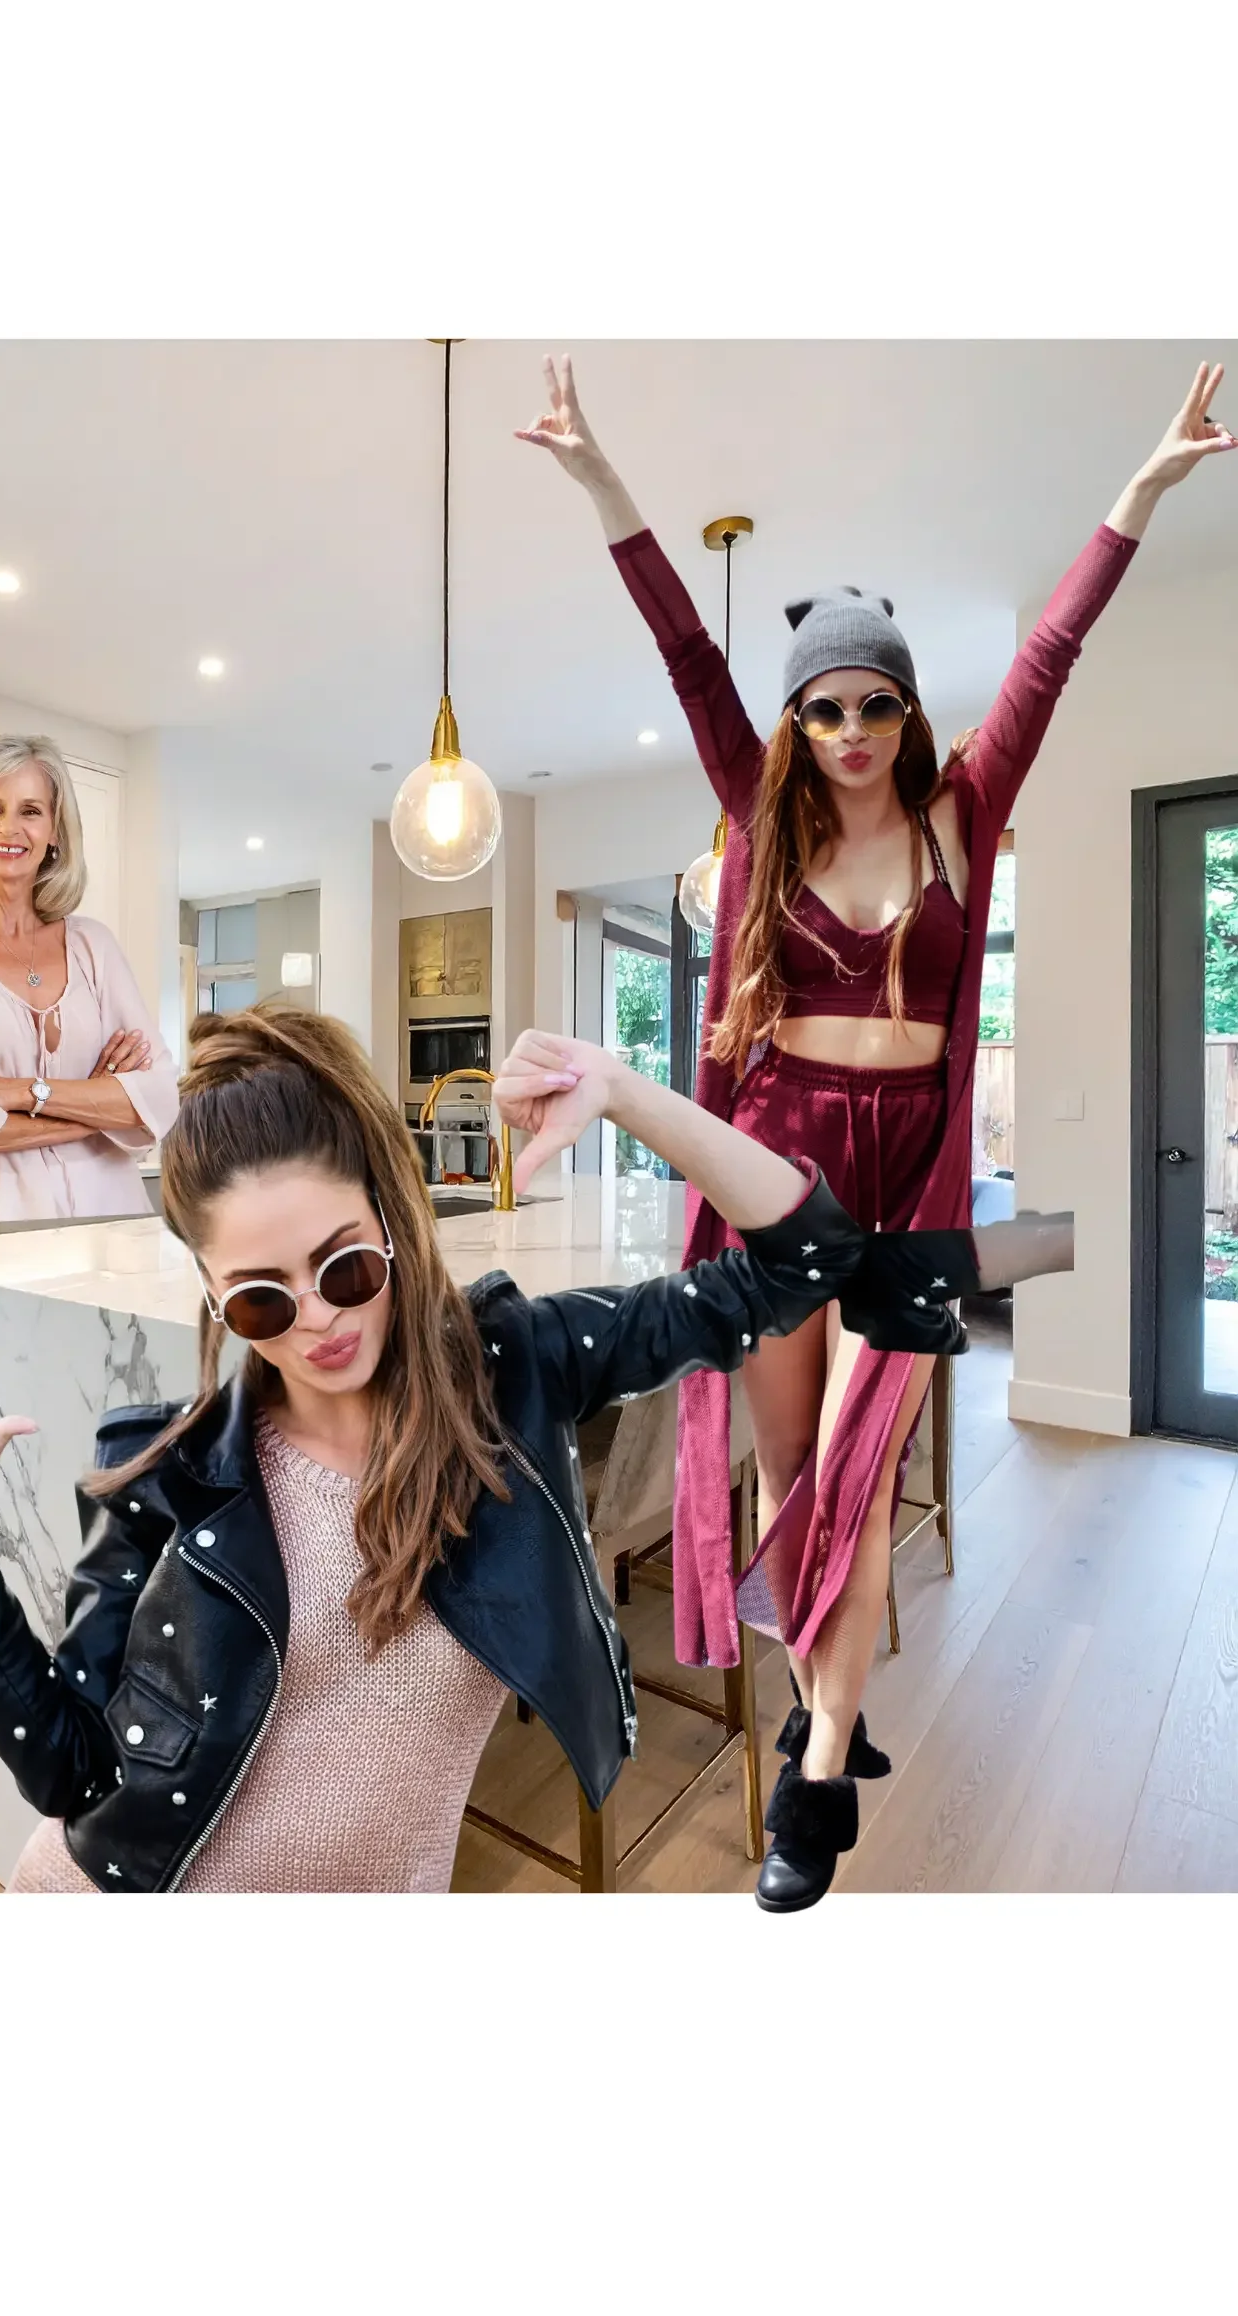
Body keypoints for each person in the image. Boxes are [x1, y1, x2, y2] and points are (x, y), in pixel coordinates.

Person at [519, 352, 1233, 1907]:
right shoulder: (758, 812)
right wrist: (600, 480)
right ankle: (823, 1708)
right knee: (793, 1480)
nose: (847, 727)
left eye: (875, 702)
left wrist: (1145, 488)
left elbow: (1053, 647)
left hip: (904, 1177)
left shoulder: (965, 811)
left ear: (909, 713)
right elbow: (684, 656)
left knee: (857, 1469)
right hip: (775, 1175)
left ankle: (818, 1771)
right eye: (824, 706)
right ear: (797, 723)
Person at [0, 1006, 1068, 1896]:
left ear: (392, 1226)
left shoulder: (514, 1371)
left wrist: (619, 1090)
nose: (319, 1321)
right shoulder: (170, 1478)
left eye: (344, 1267)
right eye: (260, 1301)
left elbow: (801, 1259)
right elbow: (71, 1774)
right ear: (207, 1293)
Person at [0, 734, 177, 1226]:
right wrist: (95, 1109)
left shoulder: (94, 947)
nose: (9, 828)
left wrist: (21, 1092)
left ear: (55, 833)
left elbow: (158, 1102)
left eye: (30, 811)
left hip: (110, 1234)